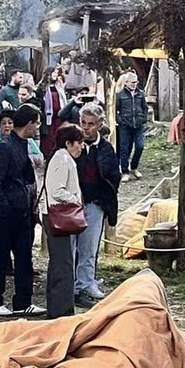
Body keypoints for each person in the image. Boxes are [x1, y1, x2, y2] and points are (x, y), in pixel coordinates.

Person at [0, 104, 45, 317]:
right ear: (29, 124)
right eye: (36, 123)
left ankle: (23, 300)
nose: (38, 127)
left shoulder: (23, 145)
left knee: (24, 257)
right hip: (5, 213)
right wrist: (4, 208)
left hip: (23, 211)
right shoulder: (2, 147)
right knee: (0, 258)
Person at [75, 103, 120, 302]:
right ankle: (74, 285)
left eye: (91, 124)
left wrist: (104, 199)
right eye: (83, 123)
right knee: (71, 247)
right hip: (73, 203)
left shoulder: (105, 148)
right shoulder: (73, 145)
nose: (86, 128)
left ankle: (85, 283)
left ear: (99, 124)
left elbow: (113, 176)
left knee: (89, 247)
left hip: (95, 203)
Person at [42, 124, 87, 318]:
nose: (82, 147)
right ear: (68, 143)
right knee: (63, 265)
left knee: (62, 263)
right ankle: (61, 311)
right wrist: (74, 199)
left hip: (56, 214)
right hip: (57, 215)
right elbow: (56, 190)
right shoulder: (61, 158)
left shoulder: (64, 158)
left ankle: (59, 308)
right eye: (79, 143)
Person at [115, 72, 148, 181]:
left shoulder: (141, 94)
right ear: (126, 83)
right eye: (132, 82)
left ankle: (134, 167)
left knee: (140, 146)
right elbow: (115, 109)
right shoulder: (120, 95)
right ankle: (125, 171)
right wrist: (119, 120)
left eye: (136, 82)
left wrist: (143, 118)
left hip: (138, 125)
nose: (134, 84)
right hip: (125, 125)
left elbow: (145, 108)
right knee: (124, 149)